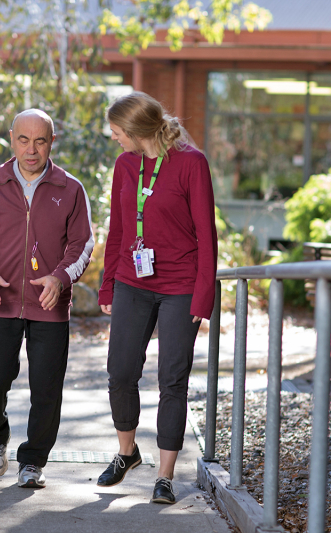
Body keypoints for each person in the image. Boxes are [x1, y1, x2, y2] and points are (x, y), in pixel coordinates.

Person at [0, 109, 94, 488]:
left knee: (46, 387)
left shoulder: (71, 189)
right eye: (23, 139)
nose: (31, 149)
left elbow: (82, 242)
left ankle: (33, 461)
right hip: (1, 301)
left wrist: (61, 277)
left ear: (52, 141)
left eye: (40, 140)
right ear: (11, 139)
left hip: (50, 305)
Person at [95, 92, 217, 504]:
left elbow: (206, 235)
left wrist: (203, 298)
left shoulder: (191, 163)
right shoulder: (125, 164)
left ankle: (164, 477)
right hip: (133, 280)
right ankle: (127, 453)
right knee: (121, 372)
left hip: (180, 286)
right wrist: (107, 282)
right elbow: (119, 229)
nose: (113, 138)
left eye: (116, 132)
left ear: (134, 131)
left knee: (172, 379)